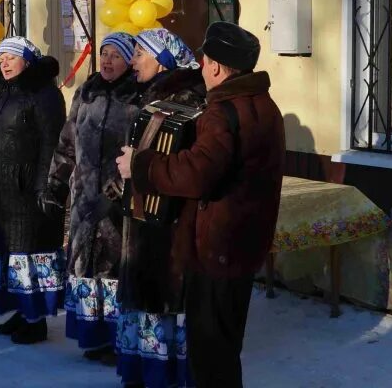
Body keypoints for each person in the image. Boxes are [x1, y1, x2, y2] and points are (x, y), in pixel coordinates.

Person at [117, 22, 285, 388]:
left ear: (216, 67)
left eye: (205, 60)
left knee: (209, 358)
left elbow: (197, 173)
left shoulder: (222, 111)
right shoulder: (263, 104)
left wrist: (141, 164)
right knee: (224, 351)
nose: (201, 67)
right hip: (242, 244)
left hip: (215, 248)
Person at [114, 29, 206, 388]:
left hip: (168, 226)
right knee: (145, 291)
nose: (132, 61)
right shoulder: (150, 97)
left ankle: (163, 373)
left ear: (163, 59)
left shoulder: (188, 103)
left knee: (162, 296)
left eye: (140, 53)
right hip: (141, 220)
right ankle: (143, 368)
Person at [46, 32, 139, 365]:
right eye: (104, 54)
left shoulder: (138, 96)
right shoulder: (86, 92)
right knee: (86, 265)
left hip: (120, 201)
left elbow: (140, 153)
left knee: (114, 268)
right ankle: (93, 335)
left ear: (130, 59)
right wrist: (56, 182)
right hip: (84, 198)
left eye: (116, 54)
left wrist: (113, 194)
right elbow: (67, 142)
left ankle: (119, 340)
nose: (108, 60)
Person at [0, 37, 66, 345]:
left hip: (29, 194)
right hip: (3, 192)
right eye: (1, 60)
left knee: (28, 256)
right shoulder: (2, 95)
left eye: (11, 57)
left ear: (28, 59)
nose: (5, 64)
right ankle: (20, 312)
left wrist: (45, 188)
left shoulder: (45, 95)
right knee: (10, 257)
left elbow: (52, 146)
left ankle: (35, 321)